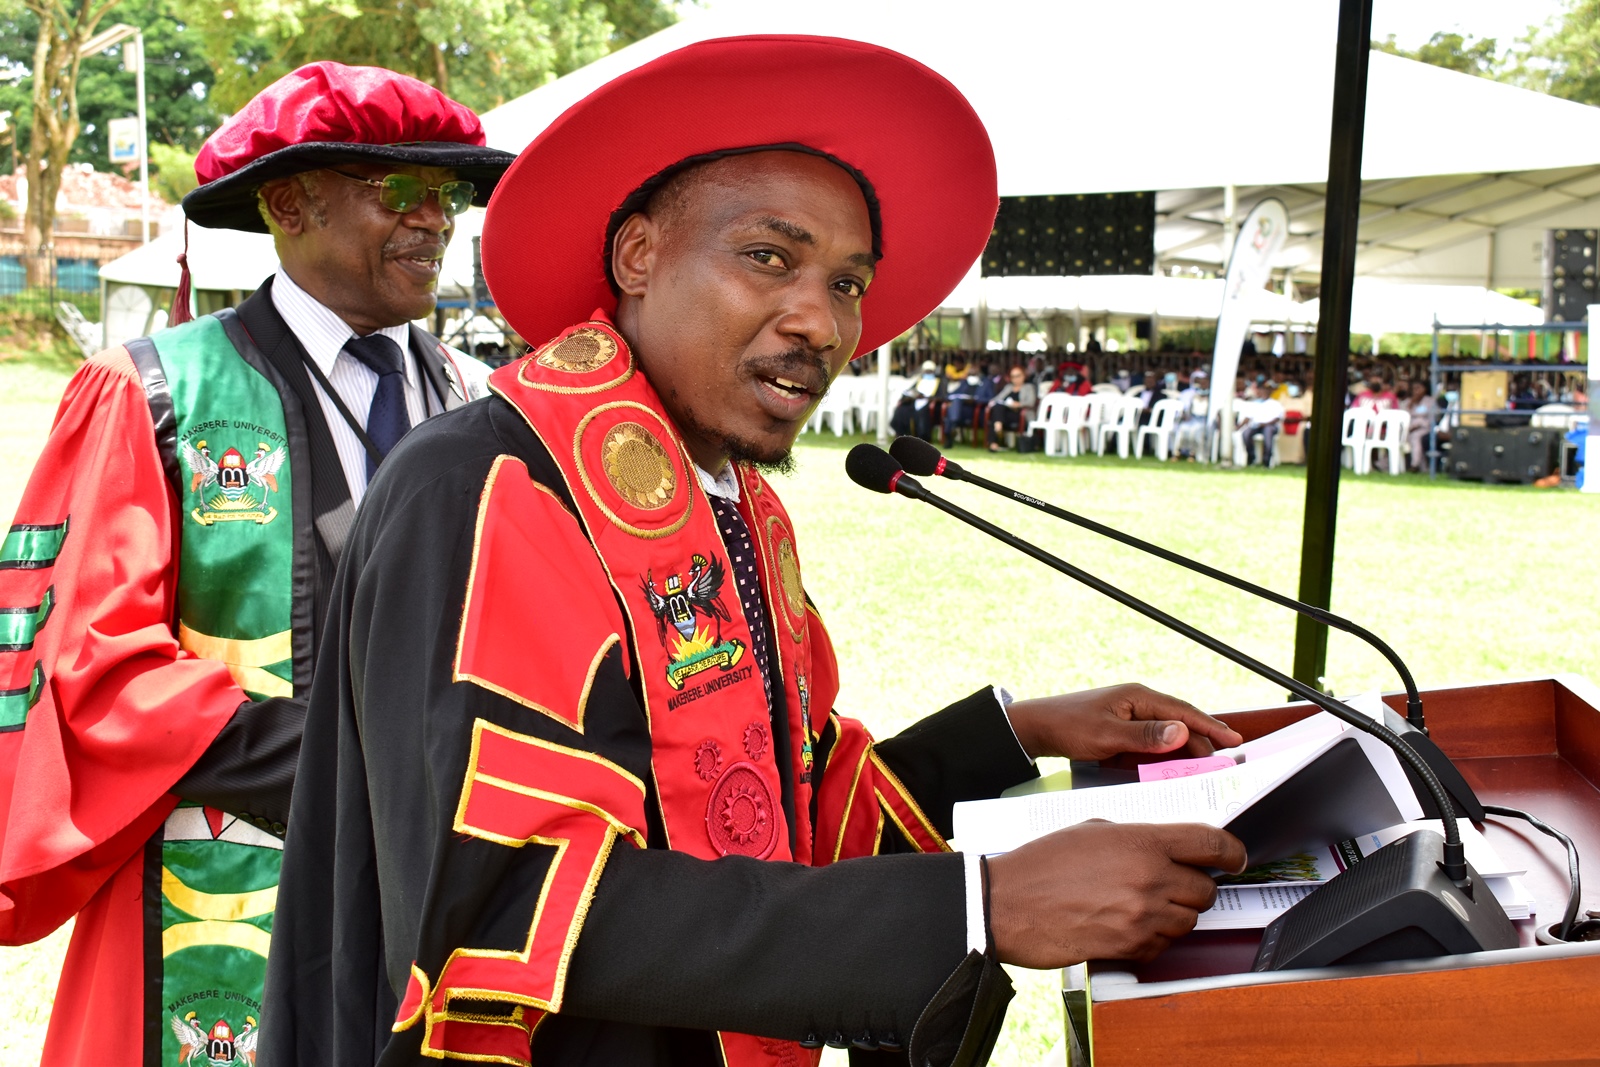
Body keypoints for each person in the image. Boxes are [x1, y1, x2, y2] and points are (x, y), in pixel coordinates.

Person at [260, 37, 1245, 1067]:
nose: (821, 321)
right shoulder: (488, 485)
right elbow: (502, 901)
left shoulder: (730, 499)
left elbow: (764, 810)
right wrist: (970, 906)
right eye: (768, 257)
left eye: (848, 282)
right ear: (638, 256)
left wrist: (1017, 731)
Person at [0, 63, 512, 1067]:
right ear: (289, 202)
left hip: (442, 885)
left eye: (447, 196)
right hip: (224, 872)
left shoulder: (481, 404)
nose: (434, 223)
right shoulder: (155, 392)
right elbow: (98, 664)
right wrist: (352, 774)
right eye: (398, 192)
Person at [987, 364, 1037, 451]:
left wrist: (1017, 404)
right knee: (998, 408)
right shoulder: (1008, 387)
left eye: (1018, 376)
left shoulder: (1029, 387)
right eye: (1013, 376)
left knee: (996, 416)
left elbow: (1031, 402)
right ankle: (997, 431)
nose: (1016, 379)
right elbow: (997, 399)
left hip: (1020, 414)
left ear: (1023, 376)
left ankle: (996, 436)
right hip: (1005, 415)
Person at [891, 358, 943, 440]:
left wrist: (925, 397)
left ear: (933, 371)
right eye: (926, 371)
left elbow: (941, 396)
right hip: (914, 402)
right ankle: (901, 434)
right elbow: (911, 390)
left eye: (929, 371)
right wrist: (911, 396)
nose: (927, 373)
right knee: (901, 410)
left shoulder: (939, 382)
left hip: (928, 404)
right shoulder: (920, 380)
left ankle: (921, 438)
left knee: (922, 415)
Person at [1239, 382, 1284, 467]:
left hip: (1269, 426)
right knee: (1246, 433)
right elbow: (1248, 417)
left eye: (1265, 391)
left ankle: (1266, 461)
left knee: (1268, 433)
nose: (1263, 393)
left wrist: (1265, 424)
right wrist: (1239, 426)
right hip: (1256, 426)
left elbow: (1277, 418)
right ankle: (1251, 458)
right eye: (1261, 391)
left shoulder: (1275, 404)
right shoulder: (1255, 403)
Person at [1404, 379, 1437, 472]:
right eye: (1414, 389)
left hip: (1424, 428)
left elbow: (1433, 418)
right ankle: (1384, 464)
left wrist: (1418, 425)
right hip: (1408, 429)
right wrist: (1410, 404)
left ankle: (1415, 465)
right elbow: (1404, 416)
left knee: (1415, 438)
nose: (1416, 391)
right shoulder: (1409, 401)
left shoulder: (1430, 401)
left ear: (1425, 389)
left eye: (1419, 388)